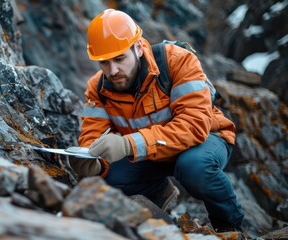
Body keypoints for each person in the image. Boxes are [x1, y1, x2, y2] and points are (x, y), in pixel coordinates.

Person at [69, 8, 244, 232]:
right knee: (107, 179)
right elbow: (92, 135)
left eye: (119, 59)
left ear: (139, 47)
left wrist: (127, 144)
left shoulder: (177, 61)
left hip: (205, 139)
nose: (112, 71)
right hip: (150, 154)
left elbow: (194, 126)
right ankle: (159, 193)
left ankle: (230, 227)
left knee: (195, 168)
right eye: (104, 62)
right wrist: (92, 161)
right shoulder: (98, 87)